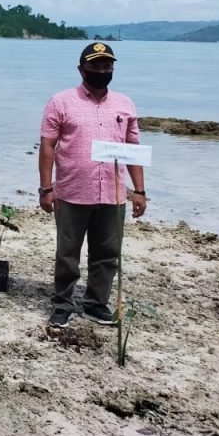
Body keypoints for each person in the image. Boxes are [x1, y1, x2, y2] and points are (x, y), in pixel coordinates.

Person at [39, 42, 147, 328]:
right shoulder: (61, 102)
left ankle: (95, 304)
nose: (101, 70)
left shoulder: (125, 104)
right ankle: (62, 303)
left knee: (107, 254)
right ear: (81, 69)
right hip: (73, 191)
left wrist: (140, 191)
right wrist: (46, 188)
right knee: (67, 254)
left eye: (106, 65)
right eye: (95, 65)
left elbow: (133, 148)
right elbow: (48, 146)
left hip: (112, 194)